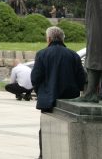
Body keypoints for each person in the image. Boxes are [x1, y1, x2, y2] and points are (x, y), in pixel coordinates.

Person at [31, 26, 85, 159]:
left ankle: (44, 154)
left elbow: (35, 78)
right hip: (70, 99)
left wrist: (41, 92)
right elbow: (81, 79)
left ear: (48, 39)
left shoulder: (42, 54)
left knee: (45, 129)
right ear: (62, 38)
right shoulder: (73, 55)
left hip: (48, 99)